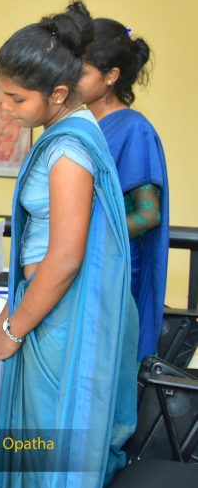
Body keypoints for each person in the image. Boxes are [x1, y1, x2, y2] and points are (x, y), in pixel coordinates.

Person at [0, 0, 139, 488]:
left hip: (59, 319)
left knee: (47, 451)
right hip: (48, 310)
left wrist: (14, 328)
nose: (6, 109)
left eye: (16, 98)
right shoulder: (67, 132)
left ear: (57, 94)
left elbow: (66, 257)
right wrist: (12, 310)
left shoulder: (68, 150)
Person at [78, 19, 169, 362]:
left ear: (111, 76)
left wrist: (83, 236)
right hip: (83, 265)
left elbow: (148, 214)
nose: (70, 80)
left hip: (112, 273)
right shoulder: (85, 125)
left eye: (81, 73)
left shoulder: (134, 129)